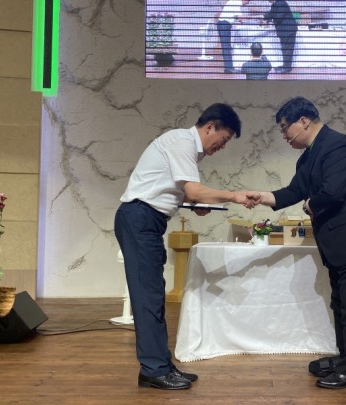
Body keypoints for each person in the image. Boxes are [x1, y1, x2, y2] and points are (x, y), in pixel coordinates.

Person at [248, 97, 346, 389]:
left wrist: (309, 205)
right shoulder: (308, 156)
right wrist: (263, 197)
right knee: (342, 303)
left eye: (285, 128)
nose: (284, 136)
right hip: (344, 243)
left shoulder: (338, 145)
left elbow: (332, 193)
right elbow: (294, 190)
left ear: (303, 121)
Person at [114, 103, 255, 390]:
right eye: (224, 139)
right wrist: (234, 195)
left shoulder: (185, 145)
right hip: (139, 219)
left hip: (147, 220)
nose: (222, 146)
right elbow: (193, 190)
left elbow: (177, 191)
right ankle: (154, 370)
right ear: (210, 127)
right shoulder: (182, 141)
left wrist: (192, 203)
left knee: (154, 295)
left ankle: (162, 366)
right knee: (148, 298)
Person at [264, 0, 297, 74]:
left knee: (287, 49)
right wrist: (264, 16)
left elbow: (278, 17)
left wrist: (269, 17)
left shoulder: (281, 3)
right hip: (284, 31)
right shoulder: (275, 4)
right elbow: (271, 14)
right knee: (284, 49)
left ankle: (287, 68)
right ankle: (285, 65)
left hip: (288, 30)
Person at [217, 0, 249, 74]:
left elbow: (237, 17)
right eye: (247, 2)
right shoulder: (236, 2)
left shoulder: (233, 2)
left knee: (227, 47)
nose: (246, 4)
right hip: (224, 24)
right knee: (226, 47)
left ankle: (228, 68)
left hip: (223, 24)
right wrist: (253, 18)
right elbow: (240, 17)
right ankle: (229, 68)